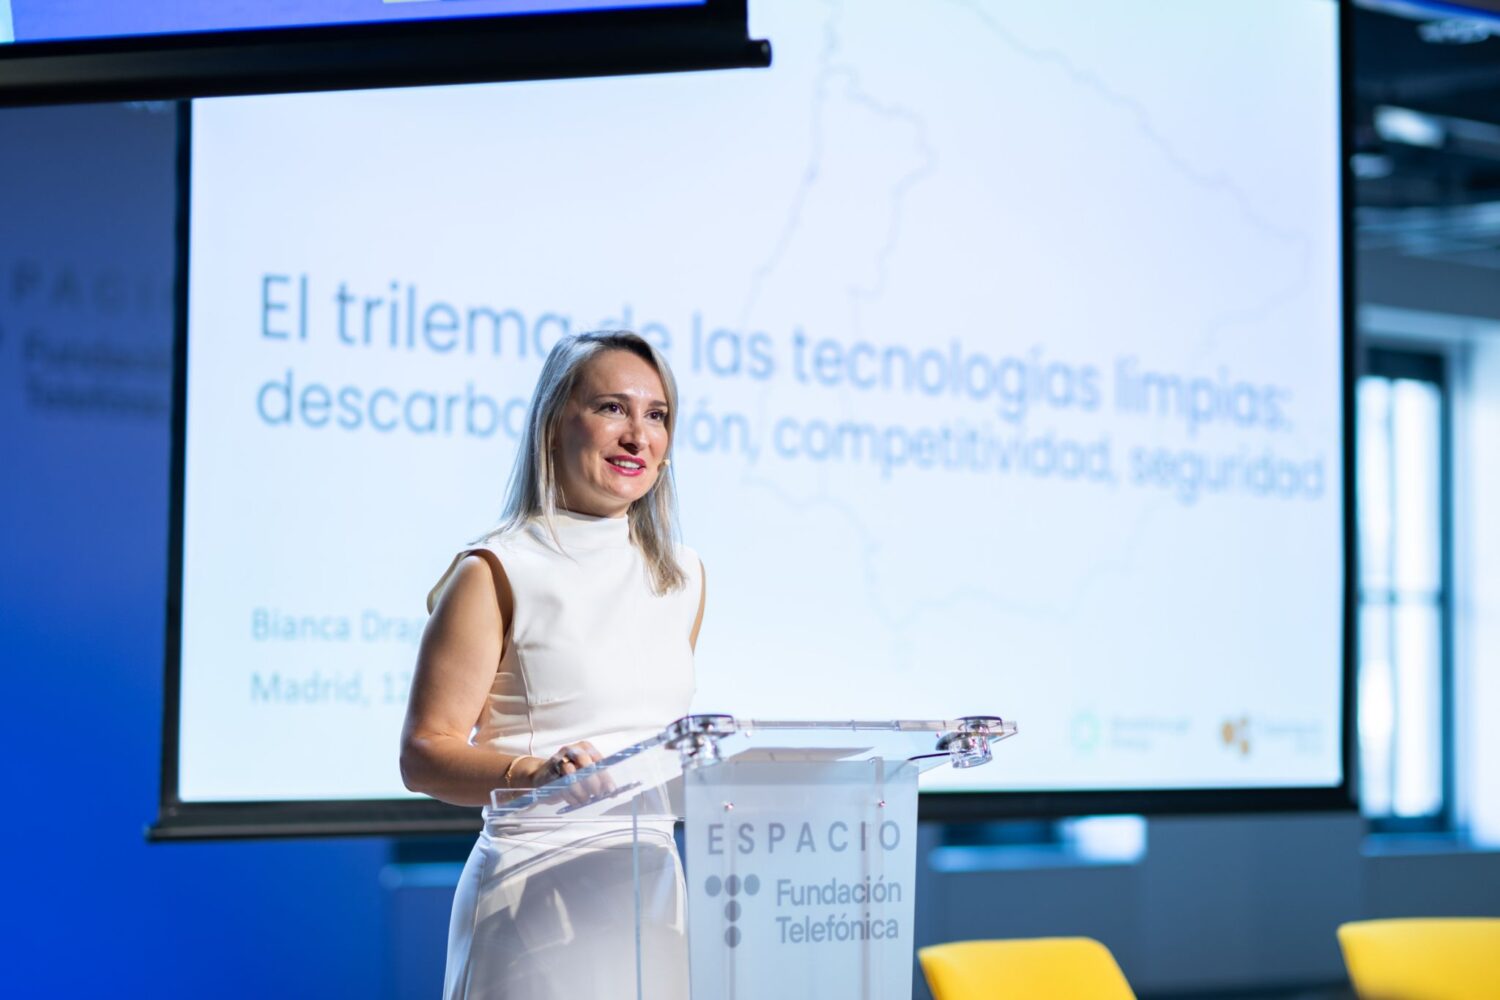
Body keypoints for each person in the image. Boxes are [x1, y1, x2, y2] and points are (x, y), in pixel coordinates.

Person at [400, 330, 705, 1000]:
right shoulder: (495, 569)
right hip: (529, 898)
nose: (638, 435)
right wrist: (534, 775)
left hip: (651, 897)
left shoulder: (684, 578)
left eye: (656, 415)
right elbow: (423, 754)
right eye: (611, 408)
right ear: (553, 424)